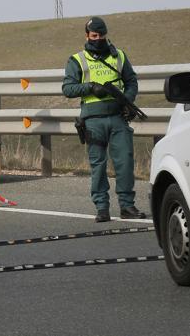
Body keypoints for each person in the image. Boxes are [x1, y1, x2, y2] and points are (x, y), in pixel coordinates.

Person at [62, 17, 146, 222]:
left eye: (101, 36)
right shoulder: (77, 60)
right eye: (94, 36)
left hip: (118, 117)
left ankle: (127, 206)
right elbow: (68, 88)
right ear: (87, 36)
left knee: (124, 162)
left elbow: (131, 81)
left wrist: (128, 101)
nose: (98, 39)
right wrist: (91, 87)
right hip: (93, 121)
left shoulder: (120, 57)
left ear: (106, 34)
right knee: (98, 165)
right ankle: (102, 208)